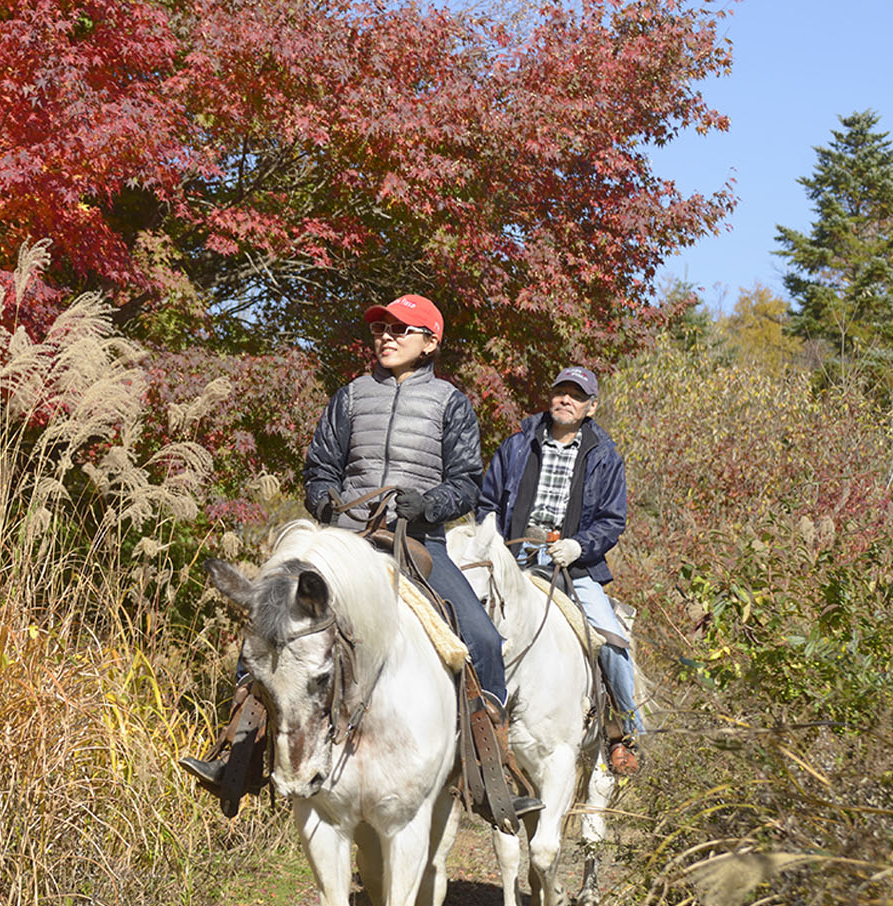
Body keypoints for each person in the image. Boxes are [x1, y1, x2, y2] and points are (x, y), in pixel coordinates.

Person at [184, 294, 540, 823]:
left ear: (430, 342)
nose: (387, 336)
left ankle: (491, 771)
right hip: (345, 541)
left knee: (483, 639)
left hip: (418, 542)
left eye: (402, 329)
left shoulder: (451, 403)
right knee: (270, 613)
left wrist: (430, 504)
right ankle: (237, 753)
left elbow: (466, 484)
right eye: (381, 328)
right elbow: (319, 468)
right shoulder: (349, 396)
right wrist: (324, 499)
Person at [476, 365, 644, 774]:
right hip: (512, 557)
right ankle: (460, 727)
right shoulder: (517, 446)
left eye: (576, 395)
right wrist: (493, 544)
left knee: (614, 641)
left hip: (574, 564)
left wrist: (578, 545)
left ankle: (622, 732)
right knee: (466, 625)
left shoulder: (605, 456)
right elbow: (486, 502)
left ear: (591, 407)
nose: (565, 400)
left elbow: (611, 519)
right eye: (560, 392)